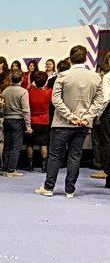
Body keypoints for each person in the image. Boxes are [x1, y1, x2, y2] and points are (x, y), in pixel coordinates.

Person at [36, 45, 105, 197]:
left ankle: (48, 188)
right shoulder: (95, 77)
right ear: (85, 58)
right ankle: (70, 190)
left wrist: (70, 116)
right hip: (82, 124)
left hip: (62, 123)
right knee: (75, 157)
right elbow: (99, 101)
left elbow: (56, 100)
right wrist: (86, 117)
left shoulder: (63, 76)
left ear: (70, 58)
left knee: (55, 156)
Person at [1, 70, 32, 177]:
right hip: (17, 121)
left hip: (6, 120)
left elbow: (2, 107)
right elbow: (26, 110)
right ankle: (11, 170)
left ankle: (5, 169)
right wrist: (28, 125)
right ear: (22, 79)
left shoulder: (5, 91)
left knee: (7, 146)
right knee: (16, 147)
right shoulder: (23, 92)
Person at [27, 71, 52, 172]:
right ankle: (44, 166)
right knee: (43, 144)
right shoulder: (49, 92)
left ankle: (30, 165)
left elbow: (31, 86)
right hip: (44, 121)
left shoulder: (30, 91)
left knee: (29, 143)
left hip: (31, 121)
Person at [94, 64, 110, 185]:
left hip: (108, 112)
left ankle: (107, 172)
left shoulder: (107, 77)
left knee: (107, 142)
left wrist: (98, 114)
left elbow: (105, 99)